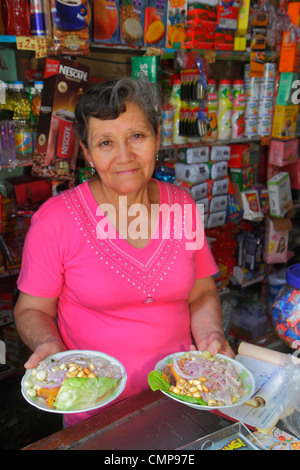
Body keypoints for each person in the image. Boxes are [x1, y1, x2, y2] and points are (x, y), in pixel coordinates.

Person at [14, 76, 233, 427]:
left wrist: (211, 335)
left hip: (181, 390)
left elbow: (202, 290)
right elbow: (31, 309)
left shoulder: (183, 206)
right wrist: (49, 344)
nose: (124, 156)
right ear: (86, 152)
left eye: (136, 136)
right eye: (105, 143)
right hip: (95, 405)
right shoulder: (55, 220)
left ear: (157, 139)